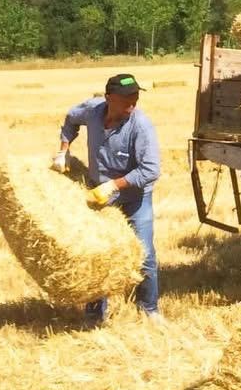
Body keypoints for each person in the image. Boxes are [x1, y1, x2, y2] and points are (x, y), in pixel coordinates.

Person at [55, 72, 162, 325]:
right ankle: (94, 315)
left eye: (135, 99)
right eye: (126, 100)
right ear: (108, 98)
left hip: (134, 198)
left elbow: (150, 170)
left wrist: (114, 185)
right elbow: (70, 120)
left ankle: (149, 310)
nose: (132, 105)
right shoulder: (92, 111)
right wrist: (63, 151)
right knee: (97, 253)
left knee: (144, 255)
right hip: (98, 196)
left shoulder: (140, 126)